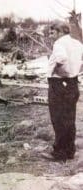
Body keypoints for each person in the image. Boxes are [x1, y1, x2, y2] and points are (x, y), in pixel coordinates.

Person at [43, 23, 83, 161]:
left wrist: (60, 73)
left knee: (58, 119)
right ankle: (69, 151)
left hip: (60, 83)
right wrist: (73, 73)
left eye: (52, 32)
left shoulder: (59, 44)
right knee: (69, 118)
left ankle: (60, 153)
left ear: (60, 32)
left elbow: (61, 59)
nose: (50, 35)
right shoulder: (77, 43)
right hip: (72, 83)